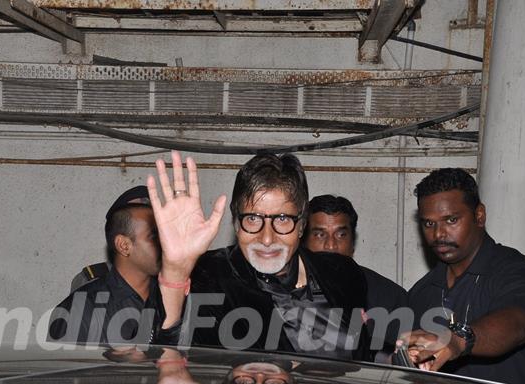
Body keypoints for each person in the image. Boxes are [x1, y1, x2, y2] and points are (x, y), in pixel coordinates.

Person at [148, 151, 369, 358]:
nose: (266, 238)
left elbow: (367, 360)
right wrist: (175, 272)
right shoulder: (210, 276)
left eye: (282, 219)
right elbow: (166, 353)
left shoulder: (343, 273)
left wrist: (399, 355)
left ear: (302, 225)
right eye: (252, 219)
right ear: (236, 223)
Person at [404, 168, 525, 384]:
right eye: (429, 224)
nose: (439, 234)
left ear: (479, 216)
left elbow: (517, 324)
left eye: (451, 220)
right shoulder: (422, 292)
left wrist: (459, 340)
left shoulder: (521, 272)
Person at [47, 186, 177, 346]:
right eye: (154, 236)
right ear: (123, 245)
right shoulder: (78, 311)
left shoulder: (174, 298)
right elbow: (69, 369)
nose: (166, 243)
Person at [303, 194, 409, 360]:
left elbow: (403, 364)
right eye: (319, 234)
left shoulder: (389, 297)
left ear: (353, 242)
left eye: (341, 235)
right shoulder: (284, 291)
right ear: (302, 240)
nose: (331, 245)